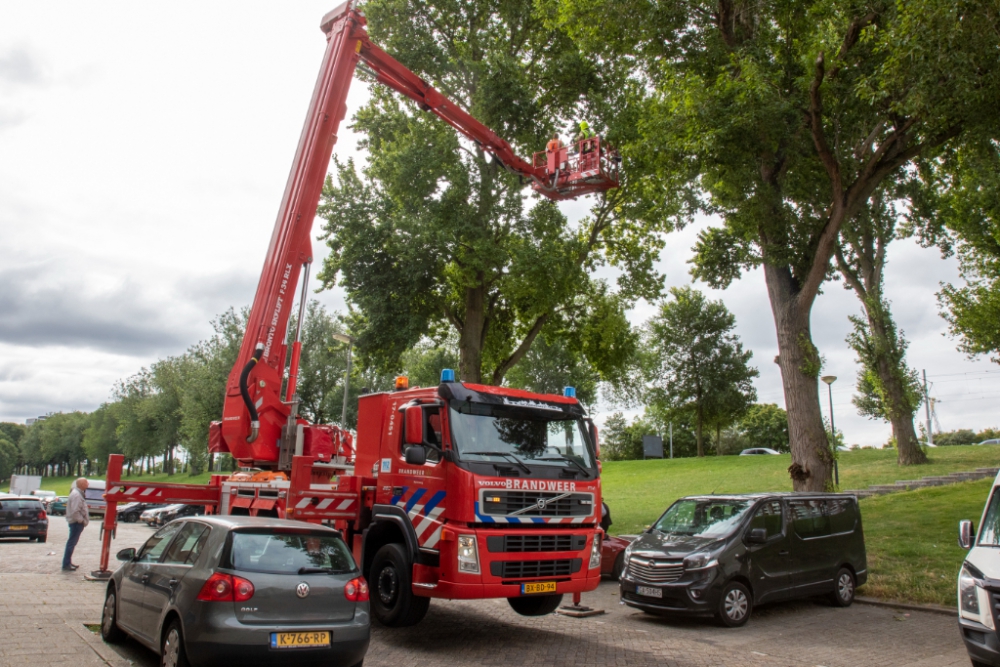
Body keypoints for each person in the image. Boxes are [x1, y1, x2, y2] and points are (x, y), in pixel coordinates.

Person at [63, 478, 89, 571]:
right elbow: (75, 511)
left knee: (72, 543)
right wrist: (81, 520)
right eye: (86, 482)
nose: (88, 484)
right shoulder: (77, 495)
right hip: (76, 524)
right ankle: (66, 564)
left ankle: (68, 562)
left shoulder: (77, 493)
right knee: (71, 543)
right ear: (82, 484)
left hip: (76, 523)